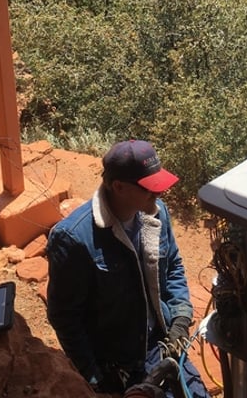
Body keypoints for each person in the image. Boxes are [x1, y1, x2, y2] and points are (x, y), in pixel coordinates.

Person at [46, 139, 210, 397]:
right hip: (114, 363)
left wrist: (179, 317)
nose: (158, 195)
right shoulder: (74, 239)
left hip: (159, 344)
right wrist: (94, 379)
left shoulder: (156, 214)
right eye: (148, 189)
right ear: (118, 187)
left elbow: (174, 266)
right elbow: (65, 318)